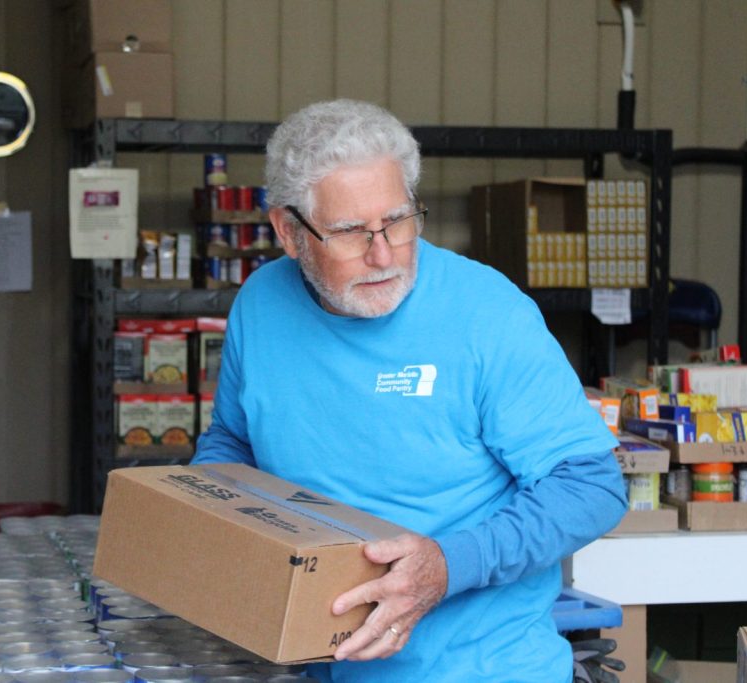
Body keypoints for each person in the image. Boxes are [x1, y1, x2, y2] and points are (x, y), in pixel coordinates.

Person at [191, 100, 627, 682]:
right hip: (309, 665)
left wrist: (447, 565)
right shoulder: (261, 304)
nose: (383, 254)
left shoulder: (486, 313)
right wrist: (202, 520)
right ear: (289, 233)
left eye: (398, 221)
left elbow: (591, 485)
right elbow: (233, 442)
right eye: (350, 231)